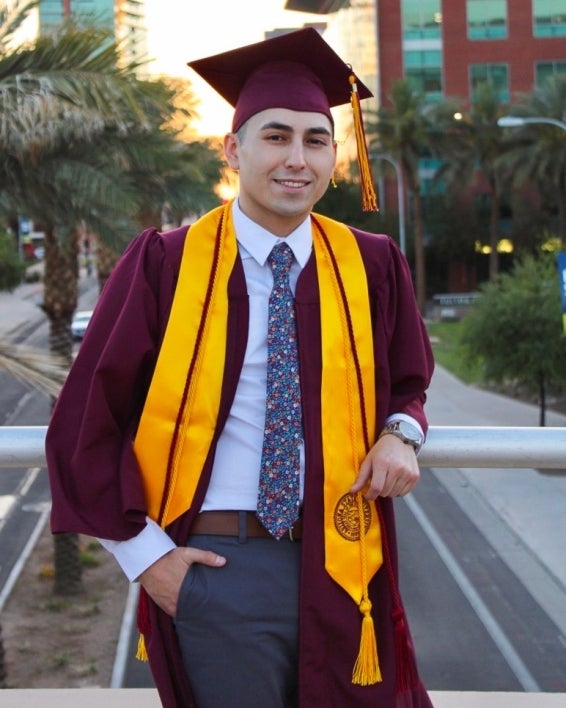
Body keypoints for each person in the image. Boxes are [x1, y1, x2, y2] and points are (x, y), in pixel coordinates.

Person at [46, 27, 435, 708]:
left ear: (335, 156)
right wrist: (150, 563)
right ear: (233, 149)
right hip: (216, 568)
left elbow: (409, 381)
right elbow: (87, 423)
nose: (297, 158)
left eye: (317, 139)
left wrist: (403, 433)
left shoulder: (371, 264)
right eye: (275, 136)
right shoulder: (166, 264)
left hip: (344, 562)